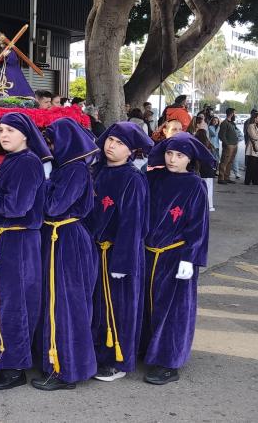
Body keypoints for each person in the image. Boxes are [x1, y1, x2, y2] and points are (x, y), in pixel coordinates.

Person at [31, 117, 98, 391]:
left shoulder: (75, 170)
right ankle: (54, 362)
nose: (48, 147)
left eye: (51, 142)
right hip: (57, 237)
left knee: (65, 304)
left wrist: (45, 179)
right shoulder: (67, 167)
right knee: (53, 301)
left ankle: (66, 370)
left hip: (66, 239)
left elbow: (54, 206)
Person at [142, 133, 213, 385]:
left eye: (180, 155)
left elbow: (198, 226)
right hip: (148, 254)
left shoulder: (195, 185)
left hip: (175, 255)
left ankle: (168, 361)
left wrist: (189, 258)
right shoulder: (154, 177)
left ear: (189, 159)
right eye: (169, 153)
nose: (172, 159)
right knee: (147, 305)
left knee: (173, 310)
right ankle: (147, 350)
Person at [0, 113, 48, 390]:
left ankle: (15, 367)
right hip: (6, 240)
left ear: (25, 134)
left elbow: (16, 206)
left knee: (15, 303)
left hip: (18, 241)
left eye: (10, 130)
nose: (4, 135)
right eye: (1, 130)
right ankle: (2, 357)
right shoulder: (12, 160)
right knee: (3, 301)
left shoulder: (27, 162)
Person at [88, 122, 152, 382]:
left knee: (120, 307)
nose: (112, 146)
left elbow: (133, 224)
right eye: (110, 140)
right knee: (97, 307)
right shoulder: (96, 171)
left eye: (120, 143)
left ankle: (118, 360)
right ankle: (96, 354)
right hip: (96, 251)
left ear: (131, 151)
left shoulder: (133, 179)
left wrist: (122, 262)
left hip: (120, 253)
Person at [195, 129, 217, 211]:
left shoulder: (195, 145)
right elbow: (215, 158)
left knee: (198, 189)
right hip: (209, 170)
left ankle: (199, 205)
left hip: (198, 169)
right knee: (209, 188)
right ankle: (209, 205)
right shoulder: (210, 145)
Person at [244, 110, 258, 186]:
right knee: (251, 165)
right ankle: (247, 181)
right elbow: (253, 136)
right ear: (255, 118)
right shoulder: (250, 126)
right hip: (252, 148)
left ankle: (256, 181)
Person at [217, 108, 239, 184]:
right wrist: (227, 144)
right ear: (231, 114)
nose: (235, 115)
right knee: (224, 162)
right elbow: (221, 135)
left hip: (234, 145)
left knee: (230, 162)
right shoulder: (224, 123)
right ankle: (221, 178)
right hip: (229, 146)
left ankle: (226, 177)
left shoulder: (232, 123)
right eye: (235, 113)